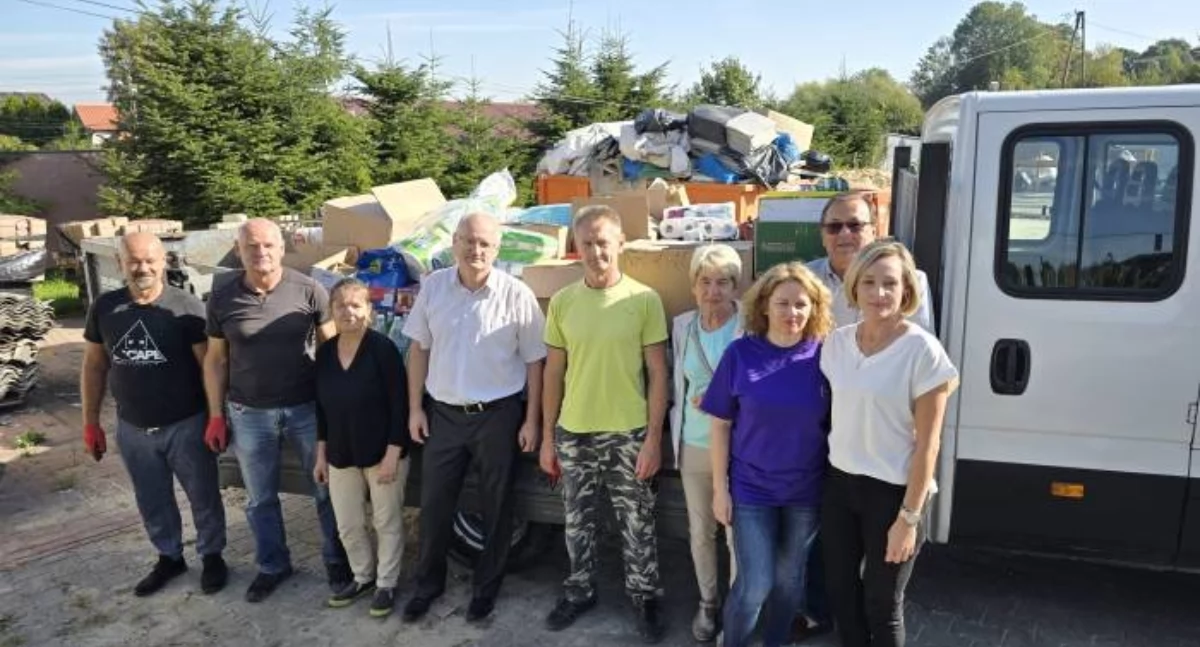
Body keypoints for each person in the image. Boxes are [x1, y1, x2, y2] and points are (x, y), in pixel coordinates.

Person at [401, 212, 546, 624]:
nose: (475, 249)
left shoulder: (516, 294)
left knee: (496, 506)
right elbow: (419, 351)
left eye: (484, 243)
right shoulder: (433, 287)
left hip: (498, 416)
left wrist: (531, 420)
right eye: (468, 240)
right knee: (433, 505)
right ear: (454, 244)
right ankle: (428, 585)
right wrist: (415, 408)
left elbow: (536, 362)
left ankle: (486, 588)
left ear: (497, 249)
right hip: (443, 415)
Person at [202, 218, 350, 603]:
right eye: (252, 246)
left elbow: (331, 353)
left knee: (324, 491)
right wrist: (216, 414)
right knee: (260, 498)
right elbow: (216, 360)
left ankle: (337, 559)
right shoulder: (222, 298)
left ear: (283, 249)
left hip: (304, 409)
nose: (261, 253)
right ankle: (272, 565)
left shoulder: (310, 291)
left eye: (269, 245)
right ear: (239, 250)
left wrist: (334, 410)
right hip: (248, 413)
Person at [539, 205, 669, 643]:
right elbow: (552, 374)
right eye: (588, 243)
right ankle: (579, 590)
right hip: (574, 431)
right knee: (577, 521)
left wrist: (653, 439)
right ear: (577, 248)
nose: (596, 251)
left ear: (620, 245)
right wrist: (547, 437)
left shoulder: (643, 300)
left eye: (604, 242)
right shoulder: (563, 302)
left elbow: (658, 374)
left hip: (629, 432)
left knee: (638, 520)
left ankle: (645, 596)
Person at [819, 240, 958, 647]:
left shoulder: (923, 352)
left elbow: (929, 446)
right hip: (840, 486)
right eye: (869, 282)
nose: (879, 293)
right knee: (842, 595)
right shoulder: (837, 343)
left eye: (890, 284)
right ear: (854, 288)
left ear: (906, 291)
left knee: (882, 604)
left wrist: (908, 519)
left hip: (894, 492)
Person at [80, 232, 228, 597]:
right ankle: (169, 556)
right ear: (120, 264)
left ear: (164, 262)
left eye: (149, 260)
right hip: (133, 426)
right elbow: (94, 366)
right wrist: (90, 422)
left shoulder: (187, 307)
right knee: (151, 498)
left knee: (203, 495)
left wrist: (215, 416)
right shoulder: (105, 308)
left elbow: (209, 364)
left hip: (187, 423)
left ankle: (212, 556)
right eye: (133, 261)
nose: (142, 267)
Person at [701, 262, 833, 647]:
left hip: (805, 491)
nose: (792, 313)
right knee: (755, 584)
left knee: (790, 581)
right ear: (763, 307)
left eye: (801, 304)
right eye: (782, 304)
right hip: (751, 489)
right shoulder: (741, 354)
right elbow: (720, 425)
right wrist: (720, 490)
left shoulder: (825, 357)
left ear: (814, 308)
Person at [312, 278, 411, 619]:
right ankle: (362, 577)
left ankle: (386, 583)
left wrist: (393, 453)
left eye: (356, 305)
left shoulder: (382, 350)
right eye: (341, 305)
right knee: (348, 524)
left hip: (383, 453)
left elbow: (401, 406)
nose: (348, 312)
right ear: (332, 312)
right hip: (341, 453)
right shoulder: (324, 353)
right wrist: (321, 455)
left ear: (369, 310)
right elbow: (321, 409)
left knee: (386, 521)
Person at [669, 243, 743, 643]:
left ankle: (737, 609)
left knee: (736, 532)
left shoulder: (749, 323)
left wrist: (724, 400)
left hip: (739, 446)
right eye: (705, 282)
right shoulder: (683, 325)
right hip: (693, 443)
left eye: (723, 282)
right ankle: (708, 603)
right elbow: (675, 382)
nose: (713, 291)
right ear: (694, 286)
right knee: (701, 531)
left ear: (736, 286)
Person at [806, 191, 933, 332]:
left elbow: (918, 345)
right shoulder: (804, 280)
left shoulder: (908, 281)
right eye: (834, 227)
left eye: (855, 225)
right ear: (823, 235)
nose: (844, 233)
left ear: (874, 231)